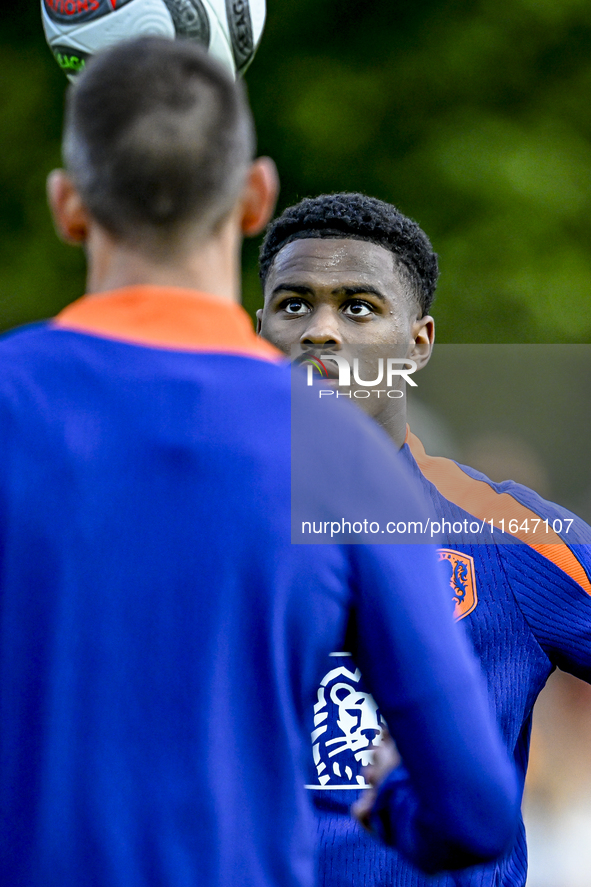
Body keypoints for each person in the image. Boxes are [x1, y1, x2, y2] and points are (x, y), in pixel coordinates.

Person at [0, 40, 519, 887]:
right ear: (254, 198)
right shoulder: (343, 457)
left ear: (68, 206)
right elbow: (473, 810)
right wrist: (389, 802)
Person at [257, 191, 591, 887]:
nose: (320, 329)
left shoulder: (506, 535)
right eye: (293, 304)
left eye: (357, 306)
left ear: (419, 340)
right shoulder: (192, 521)